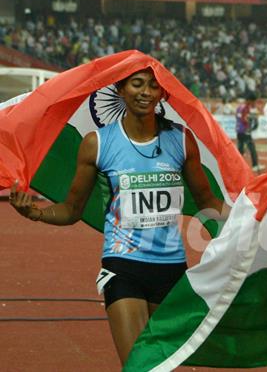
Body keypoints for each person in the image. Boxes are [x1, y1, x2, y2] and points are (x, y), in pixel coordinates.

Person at [8, 68, 228, 365]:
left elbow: (207, 202)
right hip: (123, 267)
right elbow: (72, 210)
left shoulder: (181, 141)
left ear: (163, 94)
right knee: (138, 365)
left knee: (164, 365)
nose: (145, 92)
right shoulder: (97, 144)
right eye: (136, 84)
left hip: (172, 270)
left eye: (153, 86)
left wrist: (255, 218)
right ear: (120, 90)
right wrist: (35, 212)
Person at [236, 91, 262, 172]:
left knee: (240, 149)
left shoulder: (239, 107)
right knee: (252, 149)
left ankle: (237, 166)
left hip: (238, 130)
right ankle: (255, 165)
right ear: (250, 100)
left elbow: (238, 117)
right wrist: (252, 118)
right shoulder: (246, 107)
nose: (253, 103)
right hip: (245, 131)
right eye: (253, 101)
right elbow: (244, 119)